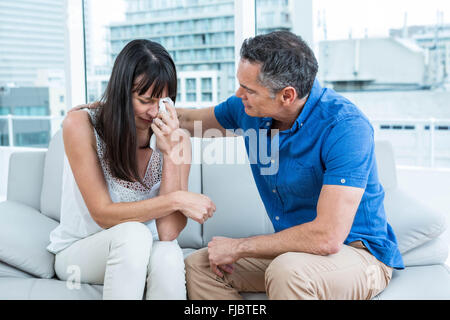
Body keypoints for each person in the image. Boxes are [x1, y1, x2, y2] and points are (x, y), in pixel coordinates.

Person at [176, 31, 404, 300]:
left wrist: (240, 247)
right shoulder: (249, 110)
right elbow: (189, 120)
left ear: (287, 95)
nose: (239, 95)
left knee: (288, 271)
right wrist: (132, 110)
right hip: (296, 255)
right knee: (200, 266)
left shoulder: (345, 126)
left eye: (248, 90)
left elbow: (327, 237)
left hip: (356, 254)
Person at [46, 39, 216, 300]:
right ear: (122, 93)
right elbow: (102, 214)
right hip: (80, 251)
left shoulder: (177, 137)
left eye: (163, 100)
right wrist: (178, 198)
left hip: (142, 249)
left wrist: (170, 152)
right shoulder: (80, 125)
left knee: (169, 254)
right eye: (145, 100)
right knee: (133, 234)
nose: (155, 111)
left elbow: (168, 232)